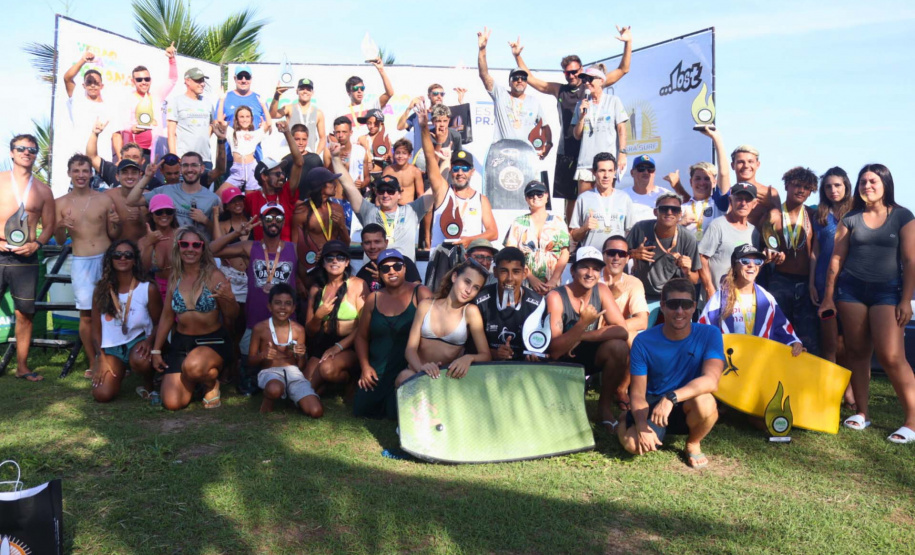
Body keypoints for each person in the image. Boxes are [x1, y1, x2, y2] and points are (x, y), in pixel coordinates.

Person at [818, 164, 915, 443]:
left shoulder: (903, 216)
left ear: (886, 183)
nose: (867, 186)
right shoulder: (850, 218)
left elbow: (910, 261)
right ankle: (862, 412)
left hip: (888, 292)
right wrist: (828, 296)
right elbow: (836, 259)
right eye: (862, 181)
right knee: (857, 352)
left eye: (873, 181)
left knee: (891, 356)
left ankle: (911, 421)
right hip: (851, 292)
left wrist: (906, 300)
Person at [511, 28, 632, 223]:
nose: (572, 76)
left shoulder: (591, 84)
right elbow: (532, 80)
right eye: (568, 73)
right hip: (568, 149)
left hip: (593, 149)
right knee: (572, 200)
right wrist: (518, 56)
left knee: (601, 194)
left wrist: (627, 43)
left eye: (575, 72)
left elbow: (623, 69)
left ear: (582, 70)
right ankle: (571, 239)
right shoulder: (560, 89)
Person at [617, 278, 725, 469]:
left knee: (706, 401)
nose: (680, 311)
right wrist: (641, 425)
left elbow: (711, 380)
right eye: (674, 305)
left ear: (693, 307)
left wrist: (671, 398)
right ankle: (624, 419)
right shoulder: (643, 341)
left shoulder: (710, 334)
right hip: (653, 405)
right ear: (663, 306)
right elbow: (637, 393)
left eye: (686, 305)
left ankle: (693, 443)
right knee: (632, 446)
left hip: (685, 404)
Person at [333, 105, 451, 263]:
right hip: (375, 275)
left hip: (404, 277)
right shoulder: (368, 211)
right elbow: (347, 184)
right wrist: (334, 158)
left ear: (399, 194)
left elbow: (437, 186)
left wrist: (446, 162)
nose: (385, 194)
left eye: (390, 190)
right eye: (381, 191)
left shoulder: (412, 211)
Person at [151, 227, 238, 410]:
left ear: (202, 249)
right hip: (181, 343)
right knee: (172, 403)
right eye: (185, 244)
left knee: (193, 366)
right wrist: (156, 350)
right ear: (178, 247)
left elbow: (232, 315)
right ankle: (199, 378)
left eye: (195, 245)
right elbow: (167, 315)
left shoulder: (214, 276)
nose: (190, 249)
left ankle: (210, 383)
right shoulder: (175, 276)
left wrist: (228, 298)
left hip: (212, 341)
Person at [546, 247, 630, 428]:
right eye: (585, 267)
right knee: (562, 416)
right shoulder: (556, 296)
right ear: (573, 270)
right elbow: (554, 350)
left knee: (619, 347)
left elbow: (622, 331)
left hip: (584, 349)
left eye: (595, 269)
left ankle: (604, 408)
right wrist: (582, 322)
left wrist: (581, 335)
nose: (590, 273)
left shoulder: (601, 289)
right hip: (560, 359)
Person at [210, 202, 298, 375]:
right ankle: (248, 378)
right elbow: (212, 251)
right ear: (262, 220)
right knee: (248, 357)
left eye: (278, 218)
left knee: (285, 362)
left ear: (283, 221)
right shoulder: (250, 247)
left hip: (285, 320)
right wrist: (236, 233)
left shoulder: (293, 249)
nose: (274, 221)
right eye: (269, 217)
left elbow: (303, 275)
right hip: (255, 319)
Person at [54, 154, 122, 376]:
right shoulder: (60, 203)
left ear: (91, 173)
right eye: (77, 171)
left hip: (105, 258)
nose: (81, 175)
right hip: (81, 260)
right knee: (86, 313)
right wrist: (60, 226)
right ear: (69, 173)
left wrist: (116, 224)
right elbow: (62, 240)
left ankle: (115, 359)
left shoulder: (103, 199)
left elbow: (113, 234)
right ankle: (93, 361)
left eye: (85, 171)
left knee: (111, 309)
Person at [0, 135, 56, 381]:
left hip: (26, 258)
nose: (27, 152)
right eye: (21, 148)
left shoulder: (44, 190)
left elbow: (50, 226)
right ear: (12, 152)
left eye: (32, 150)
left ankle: (22, 367)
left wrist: (37, 244)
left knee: (25, 313)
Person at [354, 249, 432, 419]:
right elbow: (361, 337)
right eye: (385, 269)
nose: (392, 272)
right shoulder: (373, 299)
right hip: (378, 371)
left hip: (408, 368)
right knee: (361, 409)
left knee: (394, 413)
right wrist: (365, 367)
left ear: (405, 268)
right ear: (379, 274)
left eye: (397, 266)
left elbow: (435, 330)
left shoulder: (420, 293)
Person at [395, 260, 492, 387]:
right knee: (403, 377)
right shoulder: (426, 305)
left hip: (446, 378)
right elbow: (410, 349)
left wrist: (468, 358)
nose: (468, 290)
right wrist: (421, 370)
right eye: (467, 282)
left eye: (476, 288)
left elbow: (486, 355)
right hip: (416, 372)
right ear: (454, 277)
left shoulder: (470, 312)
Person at [89, 240, 162, 403]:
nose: (123, 258)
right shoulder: (100, 290)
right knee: (102, 395)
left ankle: (149, 384)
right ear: (110, 259)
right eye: (117, 255)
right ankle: (118, 372)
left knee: (140, 359)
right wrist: (100, 358)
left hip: (138, 342)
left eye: (128, 255)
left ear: (135, 260)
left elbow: (159, 323)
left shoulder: (147, 288)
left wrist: (150, 341)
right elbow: (95, 329)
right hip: (112, 348)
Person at [699, 244, 803, 354]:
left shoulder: (767, 299)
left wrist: (794, 343)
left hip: (757, 363)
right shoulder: (720, 299)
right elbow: (703, 329)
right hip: (729, 362)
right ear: (735, 266)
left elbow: (781, 327)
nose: (751, 265)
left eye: (757, 262)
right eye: (745, 261)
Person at [761, 167, 820, 355]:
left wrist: (812, 283)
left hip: (805, 284)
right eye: (796, 185)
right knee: (776, 334)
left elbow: (815, 253)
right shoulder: (774, 215)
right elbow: (765, 245)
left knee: (808, 339)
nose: (801, 190)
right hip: (779, 280)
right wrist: (771, 255)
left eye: (806, 187)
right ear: (786, 185)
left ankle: (806, 382)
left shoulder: (813, 216)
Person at [809, 167, 853, 404]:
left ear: (846, 186)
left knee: (846, 342)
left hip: (849, 286)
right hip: (822, 286)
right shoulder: (820, 215)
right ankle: (829, 396)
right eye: (828, 186)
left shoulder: (857, 212)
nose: (833, 190)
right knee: (829, 343)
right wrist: (811, 282)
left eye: (837, 185)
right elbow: (815, 250)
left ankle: (847, 390)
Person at [249, 283, 322, 418]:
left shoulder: (298, 330)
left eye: (288, 303)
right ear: (269, 306)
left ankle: (293, 396)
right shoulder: (260, 328)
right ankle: (268, 403)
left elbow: (301, 366)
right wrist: (263, 355)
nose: (282, 307)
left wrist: (301, 355)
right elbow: (250, 361)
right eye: (278, 303)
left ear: (294, 308)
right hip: (270, 372)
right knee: (275, 389)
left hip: (293, 374)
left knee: (316, 411)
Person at [626, 193, 701, 323]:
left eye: (675, 209)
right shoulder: (640, 229)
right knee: (638, 335)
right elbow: (617, 256)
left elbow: (695, 279)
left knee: (677, 336)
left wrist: (687, 271)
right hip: (643, 296)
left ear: (680, 214)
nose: (669, 212)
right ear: (655, 212)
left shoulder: (688, 239)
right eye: (664, 208)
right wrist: (633, 254)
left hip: (674, 298)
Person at [304, 240, 367, 392]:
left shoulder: (358, 285)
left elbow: (364, 327)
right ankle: (329, 384)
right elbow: (310, 331)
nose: (334, 261)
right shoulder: (316, 289)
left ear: (347, 262)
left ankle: (348, 380)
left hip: (350, 344)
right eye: (329, 257)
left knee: (327, 370)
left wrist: (338, 347)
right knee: (306, 387)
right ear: (323, 263)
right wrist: (318, 317)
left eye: (340, 257)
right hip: (323, 342)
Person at [476, 28, 549, 158]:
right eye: (515, 78)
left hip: (525, 155)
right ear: (510, 82)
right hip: (501, 153)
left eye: (523, 78)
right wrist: (482, 50)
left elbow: (545, 126)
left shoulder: (534, 101)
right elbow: (484, 74)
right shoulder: (500, 94)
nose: (519, 80)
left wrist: (548, 145)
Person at [600, 235, 649, 410]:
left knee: (635, 338)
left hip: (613, 335)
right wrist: (610, 295)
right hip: (590, 335)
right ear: (603, 255)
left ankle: (623, 388)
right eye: (611, 253)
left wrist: (613, 329)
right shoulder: (591, 278)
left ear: (628, 257)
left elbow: (642, 321)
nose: (616, 258)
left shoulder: (633, 283)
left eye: (621, 254)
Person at [237, 121, 304, 242]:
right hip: (261, 256)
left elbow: (299, 162)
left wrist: (287, 133)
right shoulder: (251, 199)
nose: (282, 177)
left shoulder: (286, 192)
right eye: (277, 174)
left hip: (285, 254)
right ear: (264, 176)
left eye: (282, 173)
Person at [474, 247, 544, 361]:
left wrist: (535, 355)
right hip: (487, 368)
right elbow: (469, 346)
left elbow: (541, 346)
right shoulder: (480, 300)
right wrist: (494, 353)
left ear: (524, 273)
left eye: (516, 271)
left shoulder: (537, 304)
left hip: (523, 370)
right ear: (495, 272)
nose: (510, 278)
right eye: (504, 271)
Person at [130, 152, 221, 239]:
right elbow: (132, 201)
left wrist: (205, 220)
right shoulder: (165, 191)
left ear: (202, 168)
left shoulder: (213, 199)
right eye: (185, 165)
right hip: (170, 250)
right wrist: (147, 177)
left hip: (198, 250)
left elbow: (220, 233)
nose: (189, 169)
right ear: (180, 169)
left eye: (194, 165)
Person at [503, 180, 570, 294]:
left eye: (539, 194)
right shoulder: (518, 222)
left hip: (553, 283)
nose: (535, 197)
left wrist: (553, 280)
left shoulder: (558, 221)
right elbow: (511, 253)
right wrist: (530, 277)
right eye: (531, 194)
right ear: (526, 198)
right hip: (524, 281)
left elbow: (565, 252)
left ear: (546, 196)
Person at [698, 182, 763, 300]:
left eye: (748, 200)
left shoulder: (754, 232)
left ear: (754, 204)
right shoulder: (717, 225)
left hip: (743, 300)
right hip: (717, 297)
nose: (743, 203)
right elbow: (702, 258)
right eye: (739, 199)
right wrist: (709, 289)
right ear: (730, 200)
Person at [666, 127, 732, 241]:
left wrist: (717, 139)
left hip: (712, 257)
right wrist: (681, 223)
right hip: (688, 257)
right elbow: (665, 236)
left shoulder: (719, 203)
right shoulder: (681, 207)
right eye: (697, 178)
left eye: (707, 179)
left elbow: (724, 173)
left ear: (714, 182)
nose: (702, 182)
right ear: (691, 182)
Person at [570, 67, 629, 196]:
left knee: (605, 200)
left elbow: (622, 129)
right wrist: (581, 117)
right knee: (585, 204)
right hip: (586, 162)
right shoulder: (580, 104)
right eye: (584, 79)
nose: (586, 82)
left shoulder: (613, 101)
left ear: (601, 81)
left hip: (606, 163)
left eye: (590, 79)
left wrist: (622, 153)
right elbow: (576, 135)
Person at [116, 44, 177, 161]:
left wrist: (171, 59)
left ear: (151, 80)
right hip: (136, 153)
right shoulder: (128, 99)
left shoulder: (156, 96)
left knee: (156, 180)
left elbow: (172, 79)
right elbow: (124, 125)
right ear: (133, 81)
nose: (143, 82)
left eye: (146, 79)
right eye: (139, 79)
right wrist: (132, 128)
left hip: (156, 150)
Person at [293, 167, 350, 286]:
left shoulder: (337, 208)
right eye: (332, 182)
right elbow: (294, 248)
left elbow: (346, 244)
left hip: (335, 265)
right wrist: (298, 279)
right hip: (312, 266)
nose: (336, 185)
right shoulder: (302, 212)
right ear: (321, 186)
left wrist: (341, 226)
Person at [569, 152, 634, 251]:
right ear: (594, 172)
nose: (606, 175)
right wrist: (584, 228)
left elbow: (630, 233)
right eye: (602, 171)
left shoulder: (624, 198)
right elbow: (574, 236)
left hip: (616, 257)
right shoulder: (583, 198)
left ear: (614, 172)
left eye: (610, 171)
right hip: (591, 259)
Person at [63, 51, 116, 163]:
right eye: (89, 82)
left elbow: (116, 134)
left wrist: (120, 158)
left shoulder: (109, 107)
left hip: (103, 160)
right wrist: (83, 60)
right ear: (84, 85)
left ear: (101, 86)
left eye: (96, 83)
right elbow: (67, 78)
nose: (92, 85)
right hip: (80, 160)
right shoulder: (77, 100)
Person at [211, 186, 251, 322]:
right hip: (230, 275)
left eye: (240, 200)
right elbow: (217, 246)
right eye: (233, 201)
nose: (237, 203)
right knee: (230, 319)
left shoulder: (252, 221)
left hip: (251, 276)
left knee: (248, 316)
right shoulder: (223, 225)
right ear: (226, 206)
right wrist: (215, 216)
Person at [86, 121, 163, 190]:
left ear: (143, 161)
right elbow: (92, 157)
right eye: (127, 157)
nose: (131, 160)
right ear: (121, 158)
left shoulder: (151, 181)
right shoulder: (113, 171)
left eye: (135, 157)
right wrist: (95, 134)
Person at [167, 68, 214, 166]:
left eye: (203, 81)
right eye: (198, 81)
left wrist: (203, 137)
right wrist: (174, 157)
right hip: (184, 159)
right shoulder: (176, 101)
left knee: (205, 182)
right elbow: (171, 133)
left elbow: (212, 124)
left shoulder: (208, 103)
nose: (202, 84)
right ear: (187, 81)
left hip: (205, 159)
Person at [355, 223, 422, 292]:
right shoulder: (362, 273)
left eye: (377, 242)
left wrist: (385, 280)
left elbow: (417, 292)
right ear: (362, 245)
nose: (372, 247)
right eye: (367, 243)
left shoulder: (402, 263)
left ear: (386, 243)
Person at [728, 145, 781, 228]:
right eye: (740, 162)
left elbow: (781, 226)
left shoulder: (769, 193)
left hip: (760, 240)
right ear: (732, 165)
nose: (746, 165)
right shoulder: (728, 193)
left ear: (758, 164)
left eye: (750, 161)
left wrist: (770, 206)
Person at [138, 194, 179, 302]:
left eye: (168, 211)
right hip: (155, 292)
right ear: (151, 214)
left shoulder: (182, 235)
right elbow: (142, 270)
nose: (164, 215)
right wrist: (150, 244)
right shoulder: (143, 241)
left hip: (181, 288)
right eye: (159, 212)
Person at [271, 78, 326, 155]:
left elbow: (323, 138)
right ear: (297, 91)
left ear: (312, 92)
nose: (305, 91)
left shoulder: (318, 113)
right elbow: (272, 115)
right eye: (302, 89)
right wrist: (277, 95)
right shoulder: (289, 108)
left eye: (308, 89)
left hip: (309, 154)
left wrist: (316, 155)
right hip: (290, 153)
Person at [341, 59, 394, 138]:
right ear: (348, 92)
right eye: (356, 88)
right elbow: (332, 136)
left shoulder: (371, 107)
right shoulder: (341, 112)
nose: (359, 91)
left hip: (369, 149)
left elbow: (390, 93)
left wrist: (381, 70)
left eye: (362, 88)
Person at [324, 116, 370, 202]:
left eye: (344, 132)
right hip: (336, 200)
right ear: (334, 133)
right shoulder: (329, 151)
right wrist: (336, 159)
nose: (341, 135)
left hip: (355, 201)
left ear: (351, 132)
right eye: (338, 132)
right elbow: (327, 177)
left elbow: (367, 178)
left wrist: (362, 184)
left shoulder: (360, 151)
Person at [409, 103, 463, 176]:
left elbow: (458, 160)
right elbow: (431, 164)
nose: (442, 124)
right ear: (433, 121)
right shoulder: (428, 136)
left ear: (449, 120)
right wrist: (439, 142)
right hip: (431, 176)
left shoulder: (456, 136)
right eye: (438, 121)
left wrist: (451, 164)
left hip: (448, 174)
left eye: (445, 121)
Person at [224, 106, 268, 190]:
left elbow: (268, 124)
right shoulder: (231, 132)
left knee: (250, 200)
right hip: (237, 170)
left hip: (252, 169)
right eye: (241, 117)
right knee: (220, 195)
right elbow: (220, 121)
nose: (245, 119)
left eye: (247, 116)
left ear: (252, 119)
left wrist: (263, 104)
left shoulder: (255, 134)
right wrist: (222, 100)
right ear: (236, 119)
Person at [216, 65, 271, 129]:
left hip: (254, 138)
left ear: (251, 78)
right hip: (231, 138)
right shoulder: (225, 98)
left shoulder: (260, 100)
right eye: (240, 77)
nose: (244, 80)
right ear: (234, 78)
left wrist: (264, 127)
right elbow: (218, 121)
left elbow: (268, 125)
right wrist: (222, 100)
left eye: (247, 77)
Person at [624, 155, 674, 223]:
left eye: (650, 169)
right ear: (632, 173)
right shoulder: (623, 196)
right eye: (641, 168)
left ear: (654, 172)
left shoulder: (666, 196)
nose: (646, 172)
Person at [280, 124, 326, 194]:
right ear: (291, 140)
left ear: (307, 140)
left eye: (304, 139)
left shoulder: (315, 159)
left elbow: (322, 181)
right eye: (297, 139)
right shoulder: (286, 160)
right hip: (293, 200)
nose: (301, 143)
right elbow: (282, 185)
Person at [382, 138, 424, 205]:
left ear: (409, 156)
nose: (400, 156)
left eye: (404, 153)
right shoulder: (388, 170)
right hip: (391, 208)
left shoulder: (415, 172)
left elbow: (420, 194)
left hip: (408, 208)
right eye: (398, 153)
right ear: (394, 154)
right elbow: (381, 191)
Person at [356, 109, 392, 182]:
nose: (372, 126)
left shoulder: (385, 140)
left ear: (380, 124)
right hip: (366, 174)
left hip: (381, 173)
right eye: (369, 123)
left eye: (375, 124)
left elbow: (391, 159)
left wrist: (388, 157)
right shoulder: (361, 139)